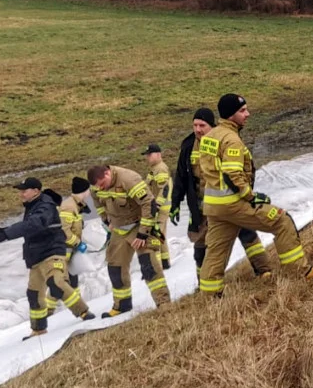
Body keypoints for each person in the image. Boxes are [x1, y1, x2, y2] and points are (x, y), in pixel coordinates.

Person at [198, 94, 313, 296]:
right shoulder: (231, 140)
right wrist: (251, 197)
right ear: (230, 115)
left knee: (216, 250)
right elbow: (233, 174)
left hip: (214, 206)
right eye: (242, 111)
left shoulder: (209, 137)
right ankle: (301, 272)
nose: (248, 114)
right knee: (282, 221)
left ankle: (210, 294)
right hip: (233, 203)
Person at [171, 108, 274, 276]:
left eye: (202, 125)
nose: (198, 129)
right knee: (201, 248)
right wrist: (175, 203)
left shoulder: (226, 140)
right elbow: (181, 176)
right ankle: (204, 285)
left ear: (212, 126)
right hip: (202, 207)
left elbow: (245, 169)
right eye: (195, 125)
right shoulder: (188, 146)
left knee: (248, 236)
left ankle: (264, 271)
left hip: (231, 201)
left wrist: (248, 194)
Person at [0, 178, 93, 338]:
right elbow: (30, 225)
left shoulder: (45, 206)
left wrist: (6, 235)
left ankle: (83, 312)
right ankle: (38, 329)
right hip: (36, 256)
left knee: (57, 284)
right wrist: (6, 230)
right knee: (34, 294)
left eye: (24, 190)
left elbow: (34, 224)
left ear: (36, 191)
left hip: (51, 252)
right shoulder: (33, 205)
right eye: (20, 191)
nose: (21, 194)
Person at [87, 163, 168, 317]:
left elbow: (148, 203)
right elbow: (98, 204)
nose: (101, 189)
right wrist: (106, 221)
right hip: (118, 229)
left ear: (107, 173)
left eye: (103, 184)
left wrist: (143, 233)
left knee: (148, 264)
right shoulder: (96, 187)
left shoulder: (129, 179)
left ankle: (163, 303)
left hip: (138, 225)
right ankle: (122, 305)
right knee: (115, 267)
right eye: (98, 187)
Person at [46, 176, 92, 315]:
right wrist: (78, 244)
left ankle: (78, 304)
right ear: (84, 191)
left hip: (69, 251)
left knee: (72, 279)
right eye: (88, 190)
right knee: (60, 282)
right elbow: (64, 231)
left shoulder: (76, 205)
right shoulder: (69, 207)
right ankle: (48, 312)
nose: (90, 193)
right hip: (62, 251)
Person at [142, 143, 173, 271]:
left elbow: (164, 190)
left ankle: (157, 266)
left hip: (160, 209)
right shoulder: (154, 169)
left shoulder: (160, 169)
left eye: (150, 155)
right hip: (159, 207)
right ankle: (165, 262)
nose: (147, 157)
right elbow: (147, 186)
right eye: (146, 155)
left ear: (158, 154)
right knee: (160, 235)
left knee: (154, 236)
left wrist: (157, 205)